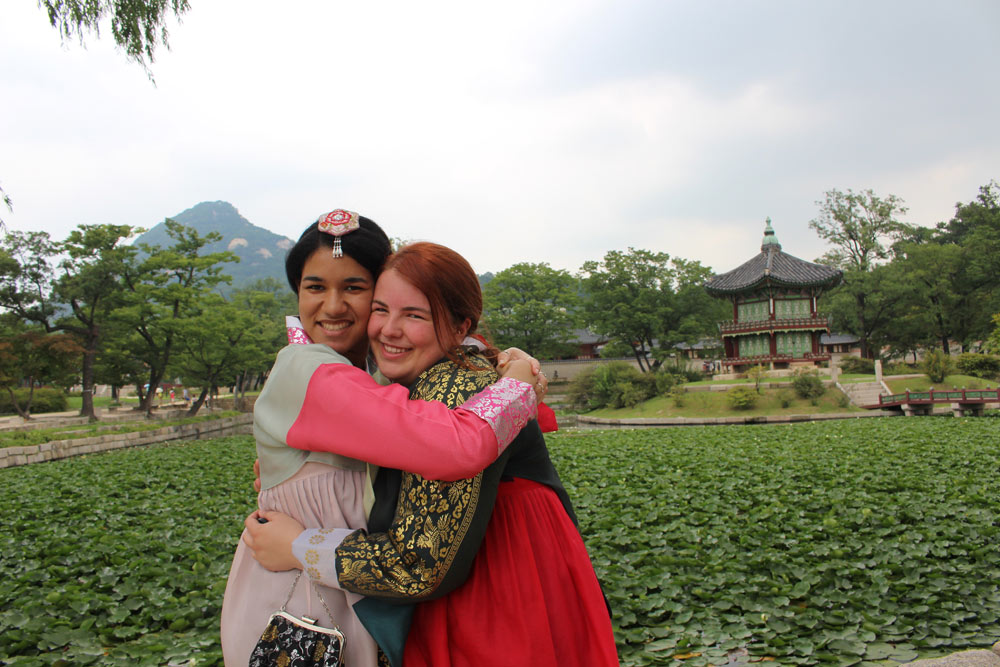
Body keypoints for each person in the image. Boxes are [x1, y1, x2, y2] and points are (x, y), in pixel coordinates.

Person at [245, 242, 618, 667]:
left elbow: (417, 565)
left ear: (461, 327)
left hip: (493, 592)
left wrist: (299, 547)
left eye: (415, 315)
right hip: (515, 576)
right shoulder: (436, 375)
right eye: (381, 310)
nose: (388, 329)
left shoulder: (452, 391)